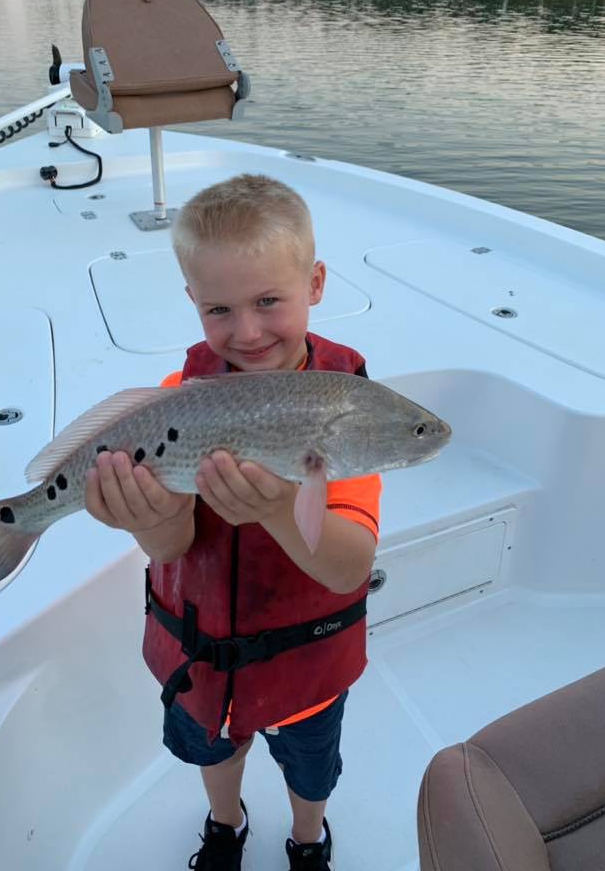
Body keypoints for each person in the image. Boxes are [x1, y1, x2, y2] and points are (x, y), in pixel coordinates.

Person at [85, 174, 382, 871]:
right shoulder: (170, 406)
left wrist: (279, 507)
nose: (246, 332)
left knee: (311, 768)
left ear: (315, 284)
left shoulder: (346, 412)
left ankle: (308, 838)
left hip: (307, 667)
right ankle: (226, 823)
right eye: (220, 309)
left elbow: (347, 568)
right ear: (192, 303)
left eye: (268, 301)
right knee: (213, 749)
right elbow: (173, 546)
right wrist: (146, 522)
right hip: (202, 663)